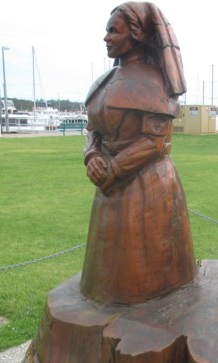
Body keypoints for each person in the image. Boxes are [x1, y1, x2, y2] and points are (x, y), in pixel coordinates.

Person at [80, 2, 197, 305]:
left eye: (113, 31)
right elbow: (93, 128)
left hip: (146, 185)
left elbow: (155, 141)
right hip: (110, 185)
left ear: (134, 34)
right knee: (108, 272)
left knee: (146, 272)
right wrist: (92, 156)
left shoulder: (154, 82)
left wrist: (113, 169)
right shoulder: (103, 83)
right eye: (106, 31)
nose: (106, 37)